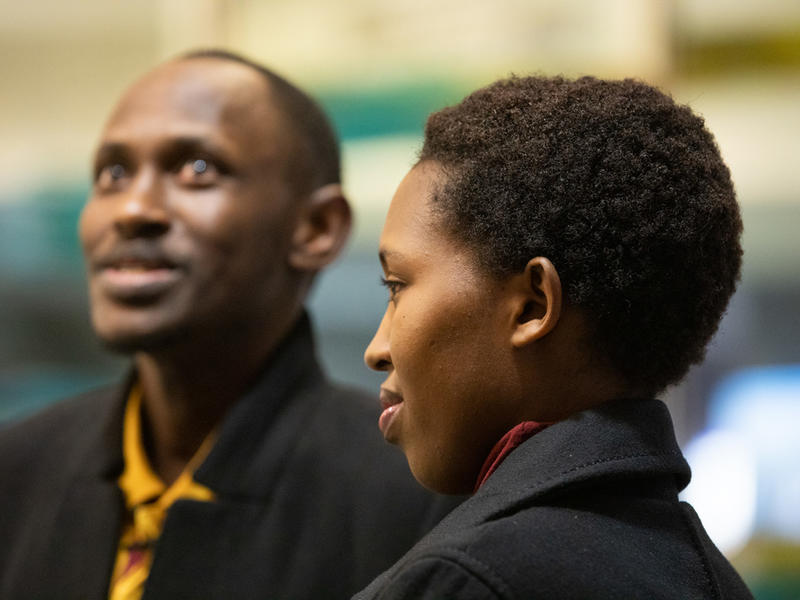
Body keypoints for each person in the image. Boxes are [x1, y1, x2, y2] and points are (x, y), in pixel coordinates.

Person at [0, 50, 456, 600]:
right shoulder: (19, 471)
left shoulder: (418, 501)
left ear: (316, 227)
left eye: (197, 169)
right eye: (113, 173)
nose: (133, 208)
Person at [356, 75, 754, 599]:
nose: (376, 351)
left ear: (532, 306)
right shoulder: (710, 578)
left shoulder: (467, 581)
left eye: (397, 286)